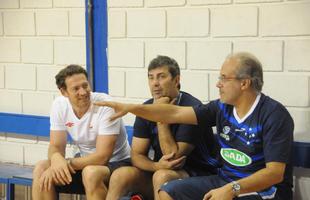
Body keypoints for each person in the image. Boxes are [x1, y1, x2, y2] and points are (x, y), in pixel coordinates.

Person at [95, 52, 294, 200]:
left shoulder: (274, 115)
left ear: (244, 84)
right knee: (167, 191)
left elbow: (274, 173)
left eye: (224, 78)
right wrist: (131, 108)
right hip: (225, 180)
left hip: (264, 190)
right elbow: (173, 113)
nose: (218, 84)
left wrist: (232, 189)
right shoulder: (221, 108)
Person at [106, 55, 219, 200]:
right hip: (162, 170)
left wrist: (160, 118)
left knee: (163, 176)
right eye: (151, 78)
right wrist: (155, 166)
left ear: (176, 80)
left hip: (200, 173)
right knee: (120, 175)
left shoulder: (193, 108)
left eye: (161, 77)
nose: (155, 83)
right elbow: (137, 155)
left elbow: (174, 158)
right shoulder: (146, 108)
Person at [32, 64, 131, 200]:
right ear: (64, 92)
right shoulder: (59, 105)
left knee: (91, 173)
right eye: (76, 89)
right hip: (84, 163)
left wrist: (65, 163)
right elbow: (56, 146)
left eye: (85, 86)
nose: (83, 92)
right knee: (41, 168)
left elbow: (102, 157)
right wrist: (56, 159)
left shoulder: (105, 105)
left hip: (118, 163)